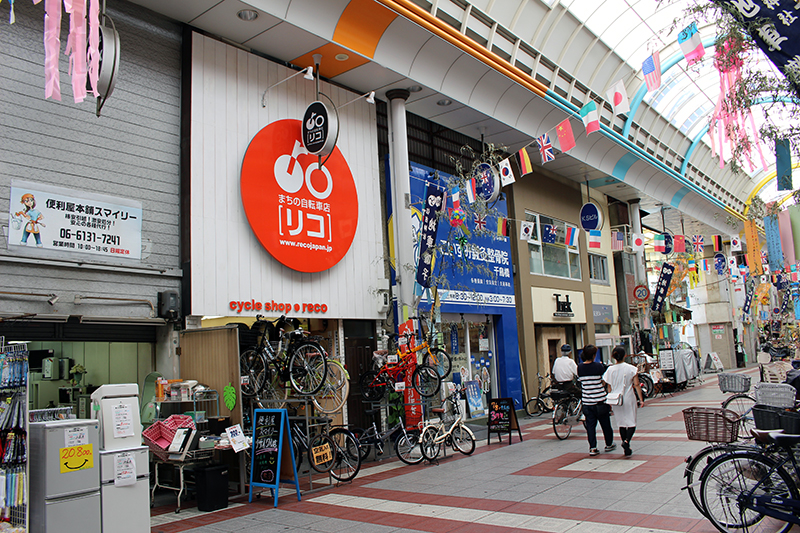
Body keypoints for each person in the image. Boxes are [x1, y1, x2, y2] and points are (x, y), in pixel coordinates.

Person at [603, 346, 645, 456]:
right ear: (625, 355)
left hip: (616, 399)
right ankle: (626, 442)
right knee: (631, 422)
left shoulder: (610, 370)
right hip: (628, 397)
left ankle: (625, 444)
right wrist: (641, 399)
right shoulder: (631, 368)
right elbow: (636, 384)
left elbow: (609, 387)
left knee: (621, 423)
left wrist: (610, 398)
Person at [577, 344, 614, 456]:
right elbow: (604, 380)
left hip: (587, 402)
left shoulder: (580, 367)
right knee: (606, 425)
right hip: (600, 401)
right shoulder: (599, 366)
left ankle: (593, 448)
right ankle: (609, 444)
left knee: (590, 427)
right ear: (594, 355)